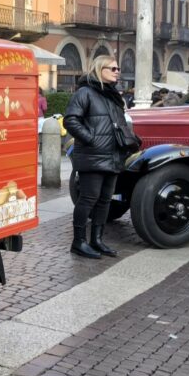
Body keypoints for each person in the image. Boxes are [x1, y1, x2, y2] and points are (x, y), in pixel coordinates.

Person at [63, 55, 136, 259]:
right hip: (93, 155)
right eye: (112, 68)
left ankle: (97, 240)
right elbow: (70, 120)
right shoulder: (85, 92)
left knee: (105, 200)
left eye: (118, 67)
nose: (117, 71)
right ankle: (78, 242)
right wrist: (91, 139)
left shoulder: (112, 97)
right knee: (88, 199)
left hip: (112, 156)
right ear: (99, 69)